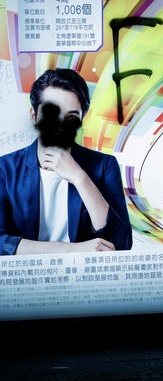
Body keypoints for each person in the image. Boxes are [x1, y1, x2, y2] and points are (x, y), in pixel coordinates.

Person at [0, 68, 133, 255]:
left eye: (71, 117)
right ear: (34, 117)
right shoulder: (5, 169)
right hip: (25, 280)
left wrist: (79, 177)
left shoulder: (104, 166)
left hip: (84, 280)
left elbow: (121, 244)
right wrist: (72, 250)